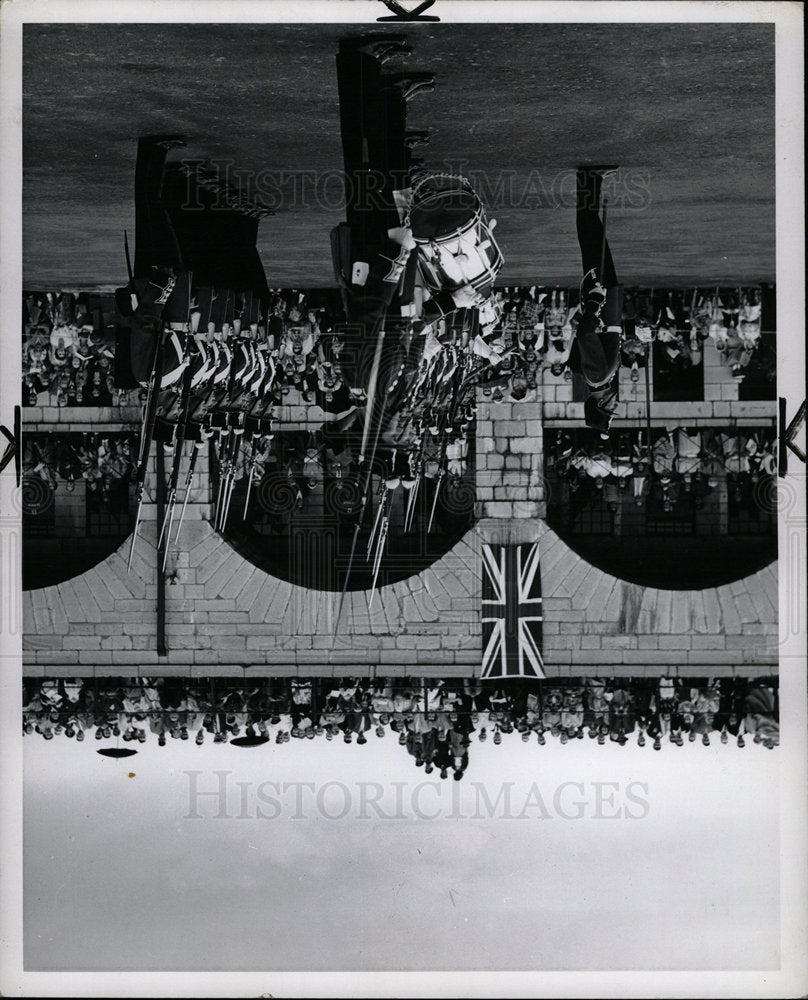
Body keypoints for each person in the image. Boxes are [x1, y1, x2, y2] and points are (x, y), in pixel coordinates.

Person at [567, 167, 624, 437]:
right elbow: (609, 337)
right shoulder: (603, 377)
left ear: (601, 403)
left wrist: (594, 302)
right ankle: (590, 180)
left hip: (600, 298)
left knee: (592, 236)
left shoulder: (597, 375)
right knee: (594, 238)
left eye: (611, 407)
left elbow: (585, 332)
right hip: (607, 301)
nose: (617, 403)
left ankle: (589, 179)